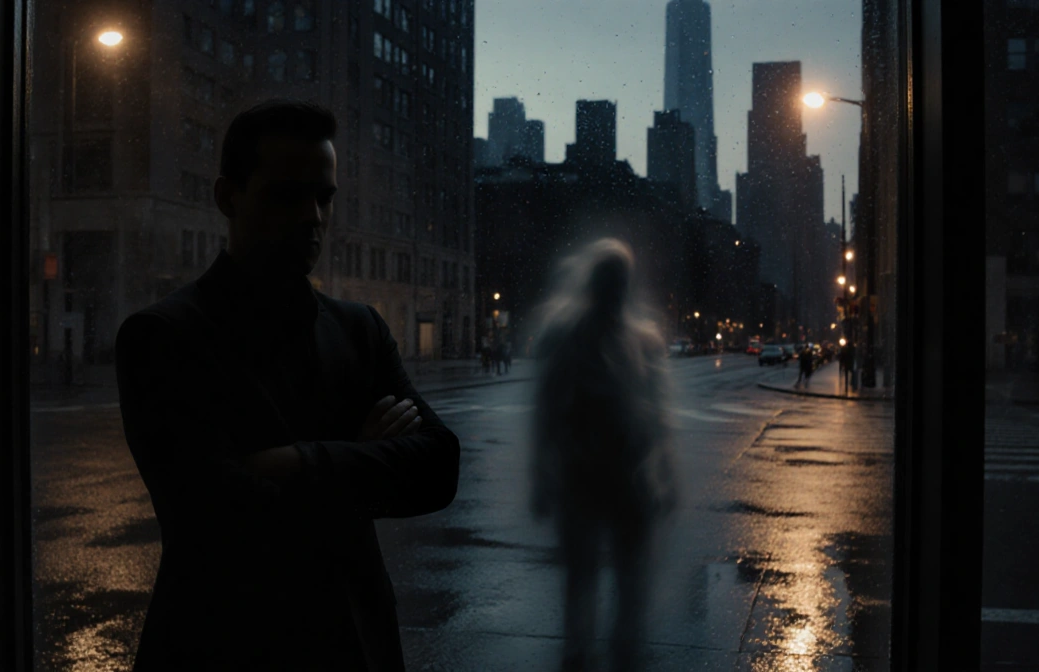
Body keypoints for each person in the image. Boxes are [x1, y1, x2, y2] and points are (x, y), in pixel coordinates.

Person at [114, 99, 460, 671]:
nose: (314, 216)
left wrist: (290, 463)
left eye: (323, 197)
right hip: (222, 648)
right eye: (287, 195)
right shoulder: (160, 336)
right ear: (229, 197)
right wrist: (361, 452)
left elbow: (439, 465)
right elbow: (212, 513)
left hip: (355, 644)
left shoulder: (360, 328)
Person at [529, 238, 678, 672]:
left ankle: (615, 648)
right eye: (610, 279)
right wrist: (541, 476)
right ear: (599, 283)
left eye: (620, 280)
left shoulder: (636, 341)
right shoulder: (571, 336)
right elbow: (547, 411)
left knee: (616, 576)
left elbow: (659, 415)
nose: (616, 288)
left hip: (618, 477)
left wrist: (665, 471)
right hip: (589, 476)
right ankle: (588, 650)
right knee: (587, 574)